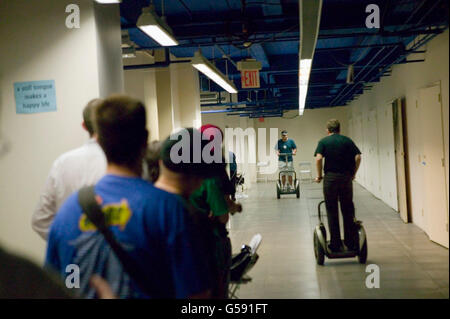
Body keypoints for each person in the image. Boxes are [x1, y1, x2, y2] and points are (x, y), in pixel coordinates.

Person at [45, 96, 215, 299]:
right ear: (144, 140)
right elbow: (196, 298)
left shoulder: (67, 213)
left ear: (98, 140)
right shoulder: (169, 210)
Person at [32, 99, 107, 240]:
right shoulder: (123, 162)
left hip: (73, 258)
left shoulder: (63, 163)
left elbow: (40, 219)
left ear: (84, 126)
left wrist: (67, 243)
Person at [314, 119, 362, 252]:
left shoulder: (323, 141)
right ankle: (350, 242)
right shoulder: (347, 141)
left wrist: (319, 175)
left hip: (330, 179)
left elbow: (318, 158)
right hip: (346, 178)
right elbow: (358, 157)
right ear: (339, 129)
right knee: (347, 209)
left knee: (332, 210)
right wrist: (353, 173)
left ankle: (335, 244)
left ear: (327, 130)